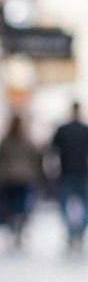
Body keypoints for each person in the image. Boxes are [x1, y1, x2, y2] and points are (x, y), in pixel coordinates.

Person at [0, 114, 41, 248]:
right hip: (23, 178)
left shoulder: (6, 141)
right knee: (22, 205)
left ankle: (13, 224)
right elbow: (36, 159)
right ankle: (18, 225)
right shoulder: (27, 141)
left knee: (10, 205)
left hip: (9, 177)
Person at [50, 101, 88, 250]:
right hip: (83, 172)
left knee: (64, 206)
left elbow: (52, 150)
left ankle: (71, 232)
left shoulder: (62, 130)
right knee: (85, 204)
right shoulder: (85, 130)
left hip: (66, 172)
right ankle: (80, 231)